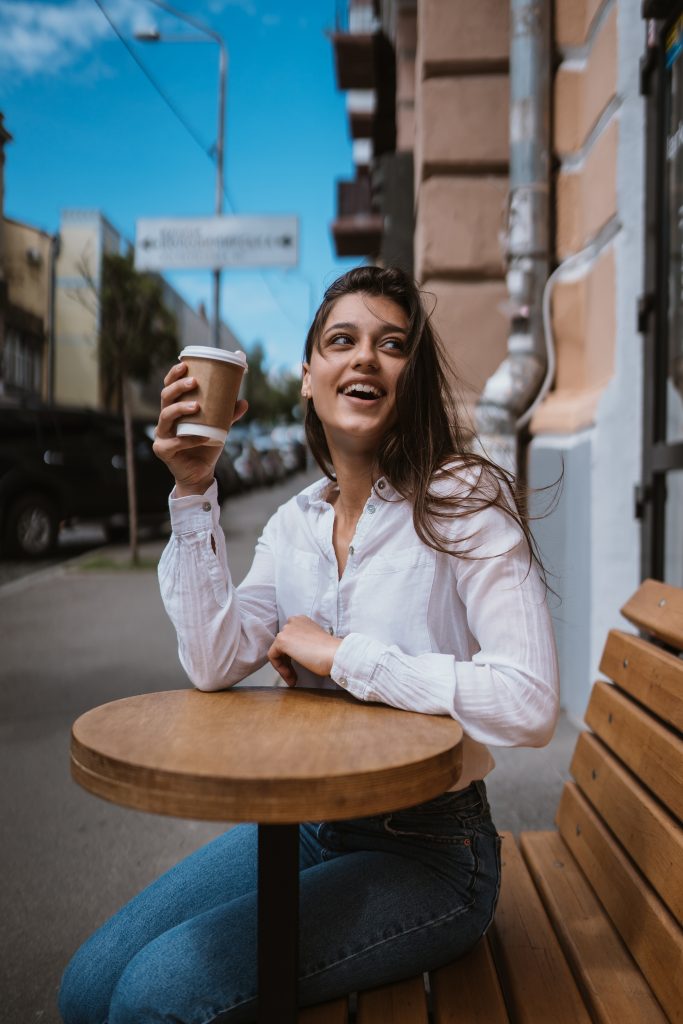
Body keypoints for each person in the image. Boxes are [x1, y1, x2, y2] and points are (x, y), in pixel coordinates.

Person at [59, 266, 559, 1024]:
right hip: (309, 827)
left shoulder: (462, 502)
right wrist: (192, 490)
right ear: (306, 377)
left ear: (410, 377)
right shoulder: (295, 523)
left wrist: (343, 655)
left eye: (391, 345)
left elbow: (528, 702)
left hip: (431, 851)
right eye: (341, 341)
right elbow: (213, 658)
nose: (365, 357)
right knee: (87, 986)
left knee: (150, 998)